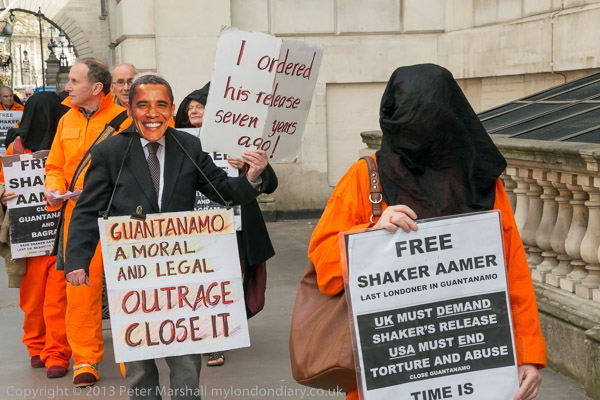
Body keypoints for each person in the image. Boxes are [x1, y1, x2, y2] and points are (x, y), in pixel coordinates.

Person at [308, 64, 547, 400]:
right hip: (391, 364)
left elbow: (513, 274)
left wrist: (527, 356)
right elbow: (325, 267)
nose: (418, 131)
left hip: (475, 362)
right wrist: (372, 232)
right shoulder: (365, 178)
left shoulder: (479, 182)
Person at [65, 73, 277, 400]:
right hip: (133, 275)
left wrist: (252, 176)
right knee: (138, 364)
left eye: (161, 104)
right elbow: (86, 211)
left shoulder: (189, 146)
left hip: (182, 275)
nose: (153, 113)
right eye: (143, 105)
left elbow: (223, 191)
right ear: (129, 109)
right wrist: (77, 260)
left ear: (172, 107)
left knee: (186, 360)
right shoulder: (110, 152)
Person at [175, 83, 276, 367]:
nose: (194, 111)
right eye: (190, 108)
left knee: (227, 283)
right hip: (193, 229)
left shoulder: (238, 141)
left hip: (234, 229)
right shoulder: (176, 143)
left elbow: (270, 182)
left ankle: (218, 338)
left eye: (200, 107)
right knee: (197, 284)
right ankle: (204, 334)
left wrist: (247, 168)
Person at [45, 58, 129, 387]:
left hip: (120, 216)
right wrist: (53, 188)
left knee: (127, 285)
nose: (67, 87)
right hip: (78, 216)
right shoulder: (66, 119)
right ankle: (85, 360)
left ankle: (133, 357)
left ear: (96, 88)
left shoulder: (125, 120)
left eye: (74, 81)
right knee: (80, 289)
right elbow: (55, 165)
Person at [0, 92, 71, 379]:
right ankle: (37, 347)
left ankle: (55, 353)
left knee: (56, 299)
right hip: (29, 240)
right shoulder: (15, 148)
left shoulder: (66, 146)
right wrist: (3, 194)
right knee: (34, 300)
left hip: (58, 236)